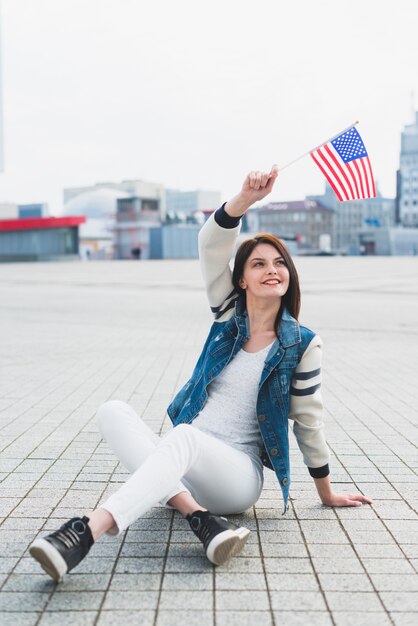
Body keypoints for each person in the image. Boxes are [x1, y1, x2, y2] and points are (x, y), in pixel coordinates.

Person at [29, 165, 372, 582]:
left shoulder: (302, 343)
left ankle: (85, 531)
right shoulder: (228, 317)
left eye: (279, 263)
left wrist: (326, 491)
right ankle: (199, 518)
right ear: (241, 280)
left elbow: (309, 422)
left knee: (182, 437)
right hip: (187, 463)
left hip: (237, 477)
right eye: (258, 263)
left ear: (289, 275)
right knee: (113, 410)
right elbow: (210, 244)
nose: (272, 269)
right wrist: (245, 198)